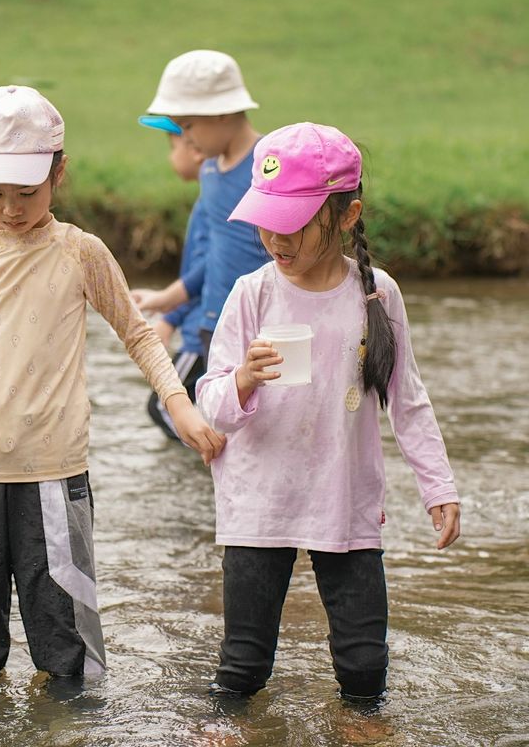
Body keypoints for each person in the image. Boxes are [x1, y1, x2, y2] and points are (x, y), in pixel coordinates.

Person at [0, 85, 225, 679]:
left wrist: (180, 403)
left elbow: (139, 335)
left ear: (59, 173)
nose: (10, 208)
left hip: (54, 469)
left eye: (26, 192)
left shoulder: (80, 253)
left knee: (65, 639)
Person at [194, 122, 462, 702]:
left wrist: (437, 485)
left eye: (292, 223)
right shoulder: (253, 293)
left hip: (345, 497)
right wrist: (242, 379)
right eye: (266, 220)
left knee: (365, 666)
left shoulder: (377, 294)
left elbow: (407, 398)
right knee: (243, 665)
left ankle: (363, 728)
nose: (275, 239)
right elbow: (211, 403)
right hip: (260, 500)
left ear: (345, 215)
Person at [129, 50, 269, 365]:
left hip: (264, 327)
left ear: (221, 112)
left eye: (188, 125)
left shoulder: (268, 164)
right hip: (215, 326)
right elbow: (216, 257)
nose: (185, 138)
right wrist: (167, 300)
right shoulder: (208, 172)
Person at [132, 113, 207, 439]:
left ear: (195, 148)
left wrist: (169, 313)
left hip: (202, 332)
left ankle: (214, 465)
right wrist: (170, 317)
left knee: (162, 406)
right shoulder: (209, 200)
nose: (170, 155)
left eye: (172, 145)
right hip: (201, 325)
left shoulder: (211, 206)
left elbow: (207, 271)